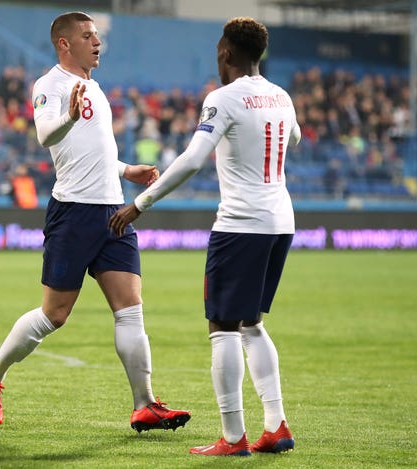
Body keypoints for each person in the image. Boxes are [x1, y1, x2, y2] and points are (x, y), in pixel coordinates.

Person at [0, 11, 191, 433]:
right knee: (54, 315)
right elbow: (45, 135)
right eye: (88, 36)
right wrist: (70, 116)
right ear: (64, 44)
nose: (97, 42)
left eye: (97, 36)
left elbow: (96, 152)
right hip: (73, 212)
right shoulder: (50, 86)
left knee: (130, 310)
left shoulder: (96, 89)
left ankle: (144, 404)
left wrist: (126, 171)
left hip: (114, 212)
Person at [109, 17, 299, 456]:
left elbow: (194, 160)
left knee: (223, 327)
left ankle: (234, 437)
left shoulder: (223, 98)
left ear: (227, 53)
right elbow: (294, 138)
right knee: (252, 324)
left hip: (241, 224)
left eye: (219, 49)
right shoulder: (281, 95)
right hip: (280, 220)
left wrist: (141, 203)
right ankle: (276, 425)